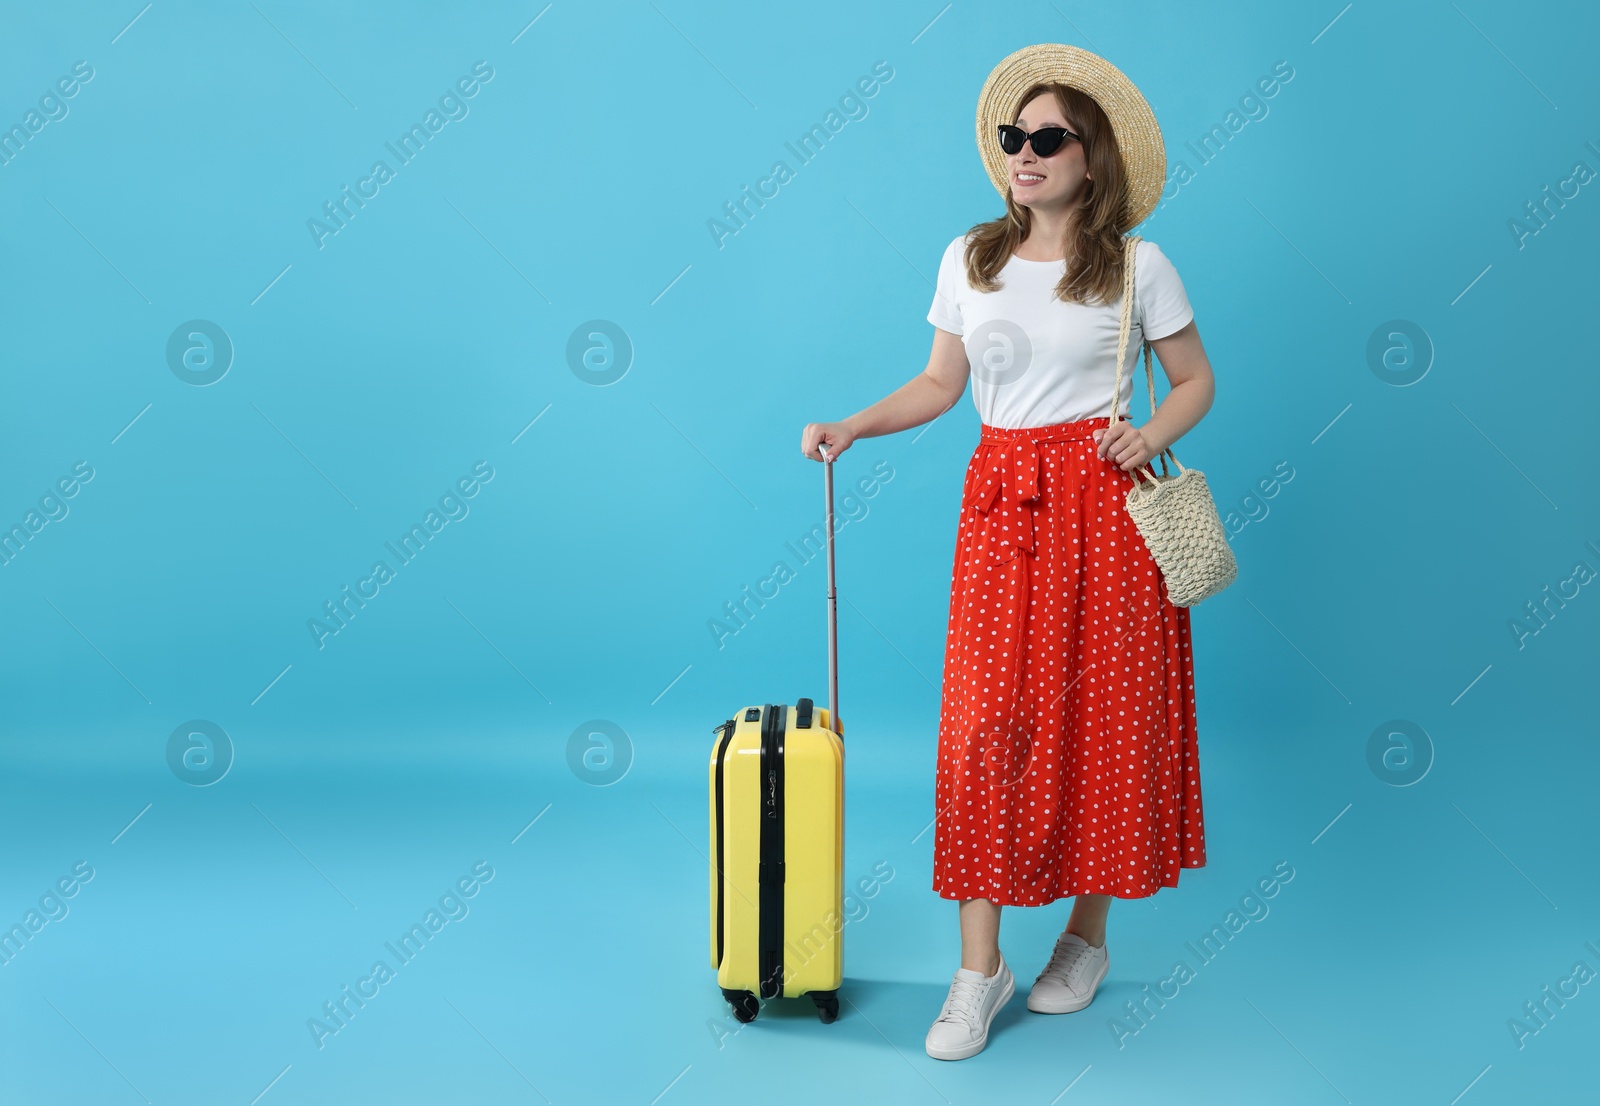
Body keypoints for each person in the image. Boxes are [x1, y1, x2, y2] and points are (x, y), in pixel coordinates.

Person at [799, 44, 1215, 1061]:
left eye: (1047, 138)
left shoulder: (1137, 265)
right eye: (1010, 137)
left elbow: (1196, 381)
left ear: (1090, 158)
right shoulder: (968, 258)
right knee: (987, 730)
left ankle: (1085, 936)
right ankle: (977, 970)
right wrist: (853, 423)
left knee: (1104, 719)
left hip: (1105, 507)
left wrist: (1149, 437)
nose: (1022, 154)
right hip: (1002, 504)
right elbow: (941, 385)